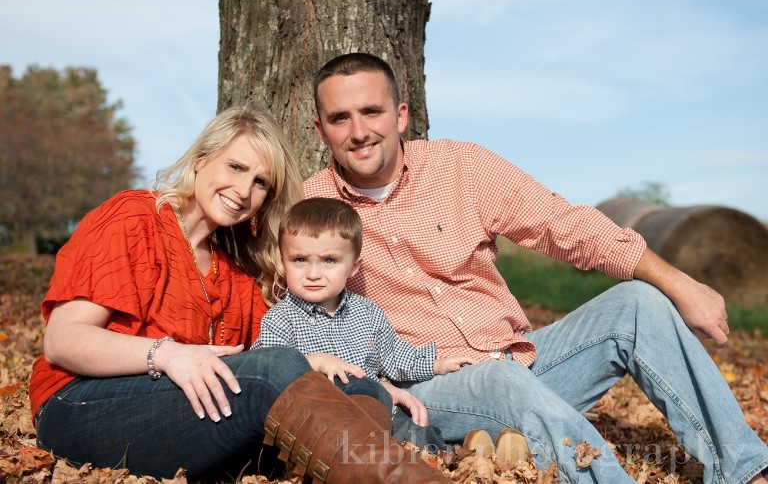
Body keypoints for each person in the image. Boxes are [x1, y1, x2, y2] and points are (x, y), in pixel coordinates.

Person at [303, 52, 768, 483]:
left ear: (400, 115)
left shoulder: (461, 166)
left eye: (371, 111)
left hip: (522, 361)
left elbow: (561, 224)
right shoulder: (307, 207)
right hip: (425, 391)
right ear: (321, 131)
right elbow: (287, 313)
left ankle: (746, 472)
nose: (359, 131)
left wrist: (681, 284)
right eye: (340, 118)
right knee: (498, 379)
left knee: (637, 303)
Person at [29, 102, 452, 484]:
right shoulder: (134, 218)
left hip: (188, 417)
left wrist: (371, 385)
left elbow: (264, 376)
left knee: (360, 389)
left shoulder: (236, 275)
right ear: (201, 159)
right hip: (82, 407)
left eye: (260, 182)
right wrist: (168, 354)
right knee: (278, 369)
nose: (244, 190)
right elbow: (63, 342)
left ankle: (406, 461)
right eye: (235, 167)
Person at [251, 197, 473, 400]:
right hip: (315, 413)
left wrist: (436, 366)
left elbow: (394, 356)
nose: (313, 273)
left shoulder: (366, 312)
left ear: (353, 267)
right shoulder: (281, 319)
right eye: (300, 260)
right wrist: (314, 362)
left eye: (329, 261)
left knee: (417, 421)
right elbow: (265, 372)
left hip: (374, 406)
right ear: (283, 262)